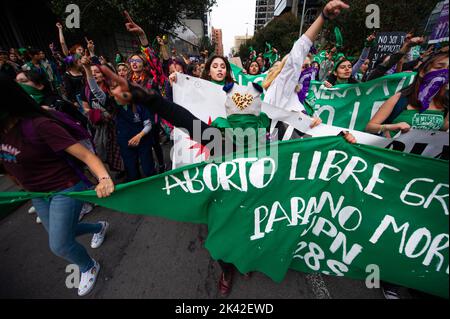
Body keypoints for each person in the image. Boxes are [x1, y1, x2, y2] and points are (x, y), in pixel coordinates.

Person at [0, 74, 114, 296]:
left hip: (65, 188)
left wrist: (104, 178)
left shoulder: (40, 125)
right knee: (61, 233)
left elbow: (87, 156)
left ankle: (88, 266)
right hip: (36, 194)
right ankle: (99, 226)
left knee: (59, 244)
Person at [366, 52, 449, 141]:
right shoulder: (400, 99)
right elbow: (370, 127)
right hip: (391, 152)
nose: (444, 72)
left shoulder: (445, 103)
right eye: (439, 67)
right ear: (422, 72)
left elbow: (442, 129)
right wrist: (392, 127)